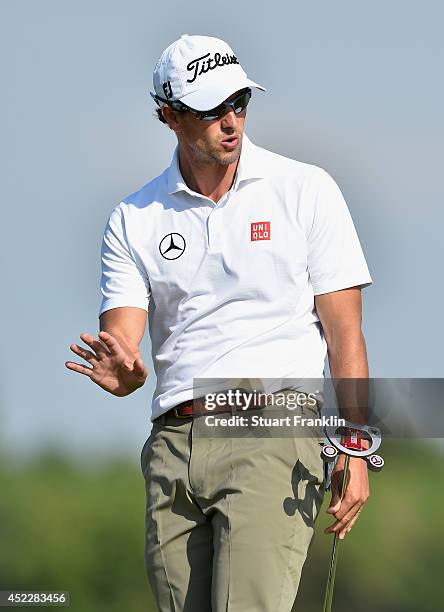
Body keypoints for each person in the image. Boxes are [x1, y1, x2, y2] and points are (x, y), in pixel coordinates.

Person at [65, 34, 373, 612]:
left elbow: (345, 333)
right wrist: (125, 372)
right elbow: (125, 342)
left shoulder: (305, 189)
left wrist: (357, 444)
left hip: (273, 429)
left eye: (239, 103)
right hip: (173, 442)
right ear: (169, 117)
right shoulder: (133, 217)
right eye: (211, 110)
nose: (231, 122)